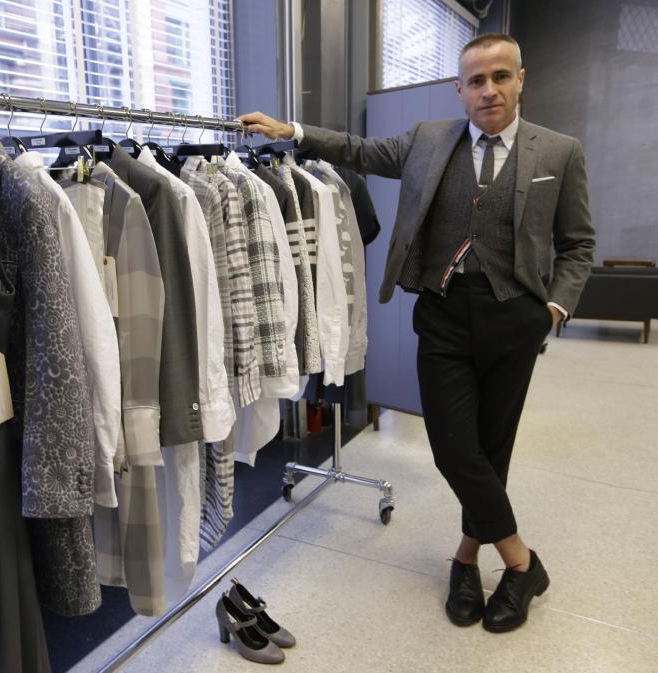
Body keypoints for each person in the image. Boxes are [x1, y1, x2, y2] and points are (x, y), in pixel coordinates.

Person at [240, 33, 594, 633]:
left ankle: (464, 559)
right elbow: (359, 149)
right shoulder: (428, 141)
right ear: (460, 90)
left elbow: (579, 244)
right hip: (443, 314)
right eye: (476, 81)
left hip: (516, 318)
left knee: (491, 447)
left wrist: (553, 310)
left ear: (521, 80)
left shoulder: (559, 152)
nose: (489, 91)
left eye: (500, 77)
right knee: (454, 447)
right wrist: (292, 132)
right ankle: (522, 563)